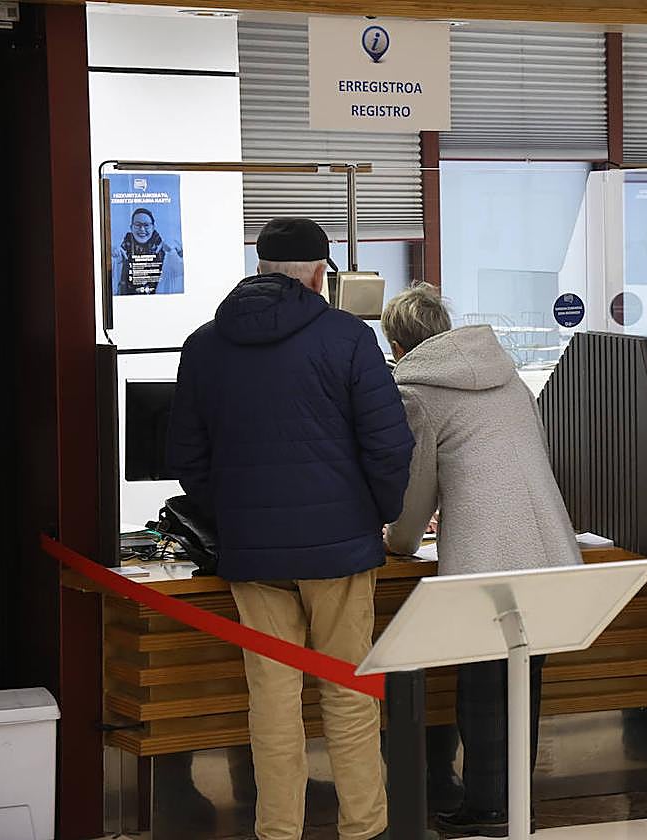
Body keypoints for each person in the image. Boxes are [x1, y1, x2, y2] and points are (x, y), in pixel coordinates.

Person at [166, 217, 414, 840]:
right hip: (341, 551)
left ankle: (279, 833)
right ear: (318, 272)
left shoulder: (204, 344)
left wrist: (233, 515)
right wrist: (377, 513)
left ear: (260, 265)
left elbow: (187, 456)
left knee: (272, 702)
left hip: (255, 556)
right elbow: (388, 446)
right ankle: (363, 830)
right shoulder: (348, 336)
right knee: (350, 696)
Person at [381, 284, 582, 839]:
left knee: (483, 681)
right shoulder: (506, 373)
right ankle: (518, 802)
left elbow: (416, 489)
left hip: (485, 552)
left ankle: (489, 808)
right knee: (525, 676)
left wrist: (397, 541)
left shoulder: (417, 391)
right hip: (547, 544)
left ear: (397, 344)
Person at [114, 207, 184, 295]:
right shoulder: (120, 252)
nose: (142, 229)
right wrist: (110, 255)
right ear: (131, 227)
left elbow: (182, 273)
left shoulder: (166, 250)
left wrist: (177, 252)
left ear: (153, 227)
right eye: (137, 224)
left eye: (146, 225)